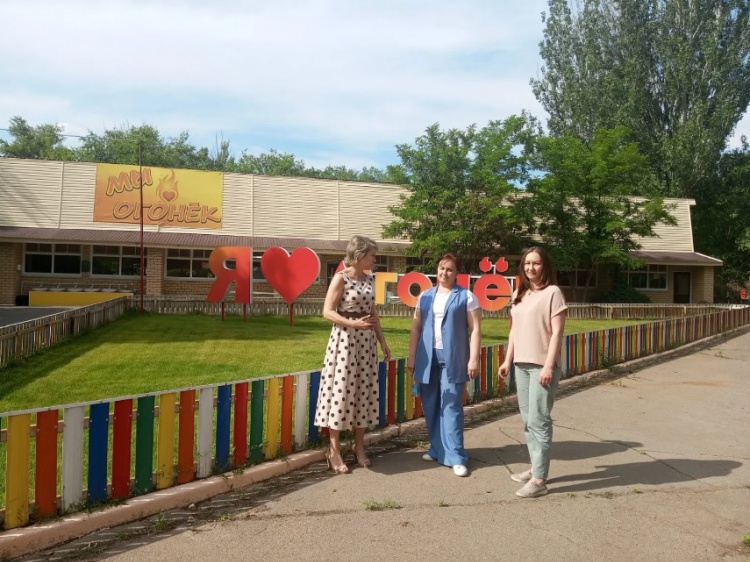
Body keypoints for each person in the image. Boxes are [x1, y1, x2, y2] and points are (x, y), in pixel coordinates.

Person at [314, 235, 391, 473]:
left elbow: (373, 313)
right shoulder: (341, 278)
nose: (375, 260)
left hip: (366, 344)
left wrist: (382, 341)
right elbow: (327, 311)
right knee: (341, 390)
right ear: (359, 255)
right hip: (344, 341)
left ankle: (359, 446)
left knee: (363, 392)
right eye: (372, 255)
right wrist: (352, 324)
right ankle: (334, 450)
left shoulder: (370, 279)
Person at [499, 246, 567, 498]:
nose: (531, 268)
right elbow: (514, 330)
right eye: (527, 263)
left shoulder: (553, 293)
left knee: (539, 420)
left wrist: (548, 365)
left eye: (536, 263)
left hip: (542, 366)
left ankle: (539, 480)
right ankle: (535, 467)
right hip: (521, 365)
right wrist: (507, 360)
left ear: (544, 266)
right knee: (528, 421)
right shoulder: (520, 293)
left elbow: (557, 332)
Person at [407, 253, 481, 477]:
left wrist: (474, 358)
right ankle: (437, 449)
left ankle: (456, 456)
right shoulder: (425, 296)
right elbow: (416, 327)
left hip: (454, 357)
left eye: (449, 269)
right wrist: (412, 356)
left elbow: (475, 329)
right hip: (427, 357)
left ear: (457, 273)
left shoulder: (466, 296)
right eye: (441, 268)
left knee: (451, 406)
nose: (444, 273)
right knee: (430, 405)